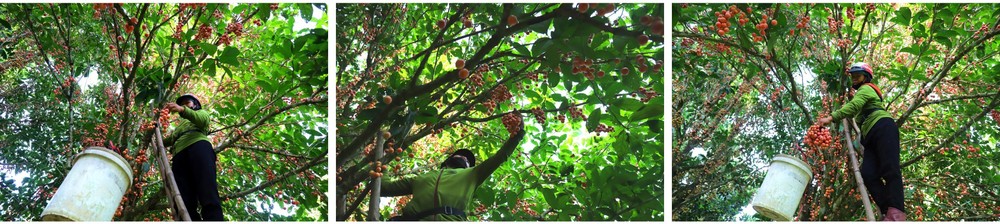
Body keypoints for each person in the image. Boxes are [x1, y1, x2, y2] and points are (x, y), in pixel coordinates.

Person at [380, 114, 525, 221]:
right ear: (448, 160)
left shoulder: (472, 175)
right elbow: (384, 187)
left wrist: (516, 135)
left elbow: (500, 157)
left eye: (468, 160)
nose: (464, 158)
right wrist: (384, 159)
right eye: (461, 155)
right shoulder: (421, 178)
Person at [817, 62, 905, 221]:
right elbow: (855, 111)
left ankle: (896, 213)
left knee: (890, 168)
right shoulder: (862, 93)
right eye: (853, 77)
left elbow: (854, 106)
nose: (854, 79)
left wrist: (831, 117)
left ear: (867, 77)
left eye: (857, 76)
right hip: (870, 136)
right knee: (868, 174)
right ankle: (887, 210)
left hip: (883, 126)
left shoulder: (867, 88)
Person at [163, 94, 224, 221]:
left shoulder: (201, 113)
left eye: (187, 103)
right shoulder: (180, 126)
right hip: (179, 155)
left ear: (195, 104)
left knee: (207, 190)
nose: (184, 105)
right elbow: (168, 140)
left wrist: (181, 109)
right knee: (183, 200)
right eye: (182, 104)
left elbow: (202, 120)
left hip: (198, 147)